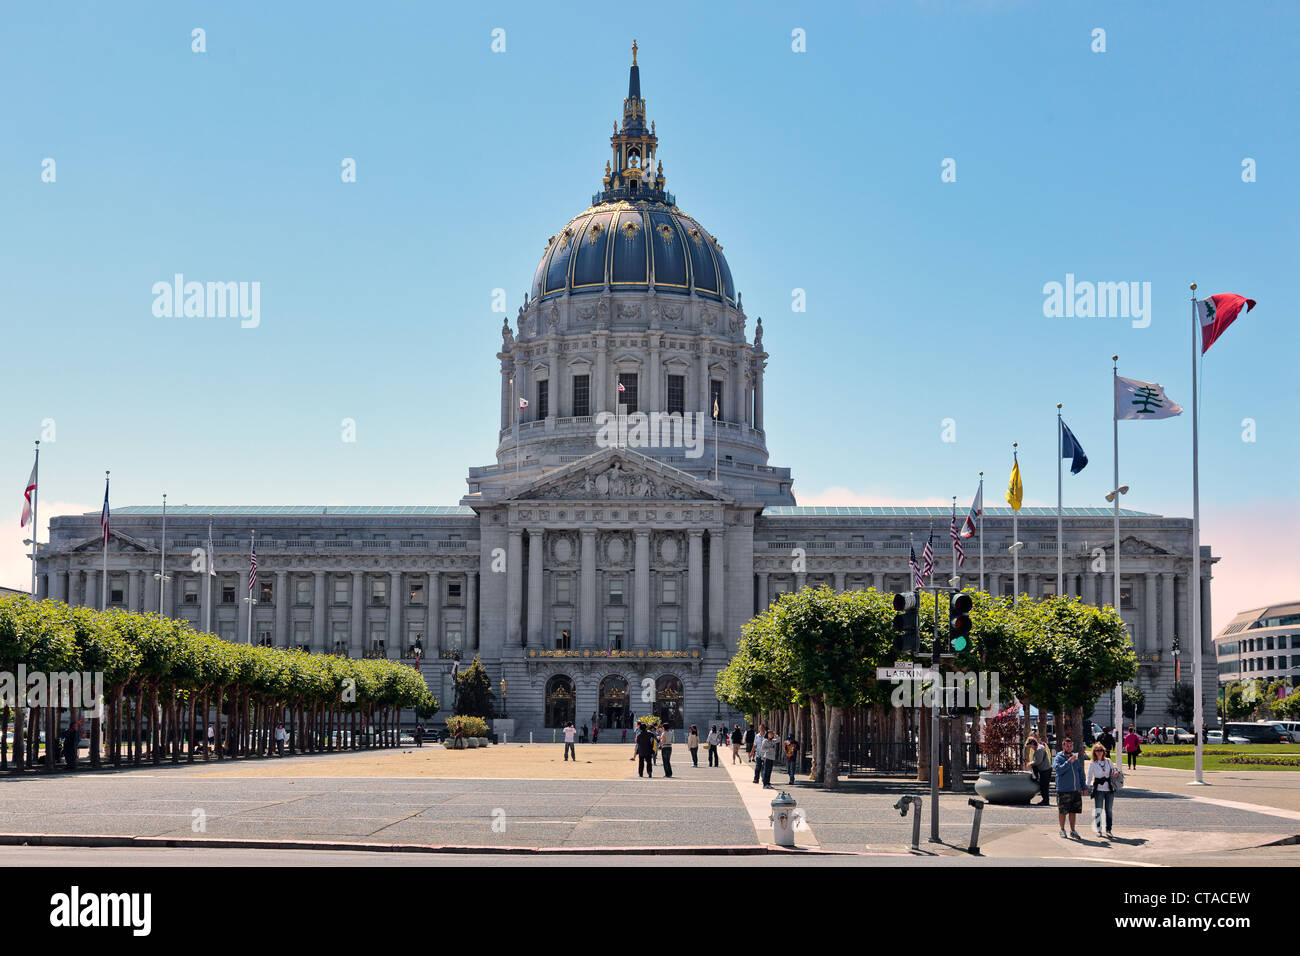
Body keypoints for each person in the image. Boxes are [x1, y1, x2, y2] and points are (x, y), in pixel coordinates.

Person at [1052, 737, 1086, 839]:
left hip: (1075, 789)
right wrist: (1068, 762)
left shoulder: (1075, 758)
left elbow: (1080, 773)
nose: (1069, 747)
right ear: (1063, 746)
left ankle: (1073, 830)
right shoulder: (1059, 757)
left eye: (1070, 746)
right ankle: (1062, 830)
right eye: (1067, 745)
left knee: (1073, 811)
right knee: (1062, 811)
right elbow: (1058, 770)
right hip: (1063, 789)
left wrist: (1083, 787)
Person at [1087, 742, 1119, 838]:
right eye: (1097, 750)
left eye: (1101, 750)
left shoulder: (1108, 761)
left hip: (1109, 788)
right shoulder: (1093, 763)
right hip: (1099, 789)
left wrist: (1116, 773)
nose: (1099, 752)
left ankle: (1108, 829)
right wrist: (1086, 786)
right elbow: (1089, 777)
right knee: (1098, 810)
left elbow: (1114, 770)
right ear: (1094, 752)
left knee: (1109, 810)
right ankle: (1099, 829)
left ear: (1103, 751)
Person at [1026, 736, 1051, 805]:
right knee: (1043, 785)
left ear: (1032, 743)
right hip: (1044, 769)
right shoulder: (1039, 748)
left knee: (1044, 786)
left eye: (1030, 746)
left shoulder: (1039, 749)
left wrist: (1030, 763)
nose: (1030, 747)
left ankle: (1045, 801)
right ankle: (1045, 800)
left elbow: (1038, 761)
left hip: (1045, 770)